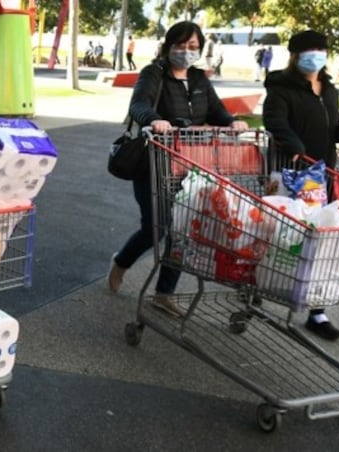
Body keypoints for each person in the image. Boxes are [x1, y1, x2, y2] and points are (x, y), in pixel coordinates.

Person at [107, 21, 248, 317]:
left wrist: (232, 122)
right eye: (181, 46)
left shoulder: (199, 79)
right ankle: (121, 261)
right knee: (155, 228)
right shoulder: (154, 73)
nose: (186, 52)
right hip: (154, 163)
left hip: (191, 166)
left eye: (193, 47)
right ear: (169, 46)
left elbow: (218, 111)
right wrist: (154, 120)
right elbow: (139, 105)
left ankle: (164, 293)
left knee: (181, 231)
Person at [262, 30, 339, 341]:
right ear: (295, 55)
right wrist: (295, 147)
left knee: (320, 242)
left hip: (322, 174)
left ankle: (317, 312)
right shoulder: (281, 88)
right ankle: (258, 288)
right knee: (280, 239)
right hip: (293, 174)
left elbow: (331, 127)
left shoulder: (328, 89)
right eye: (309, 50)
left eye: (320, 50)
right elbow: (275, 121)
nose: (315, 55)